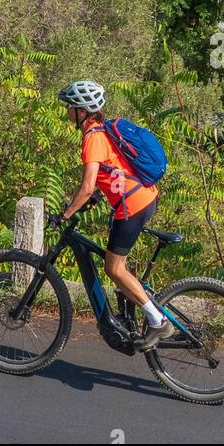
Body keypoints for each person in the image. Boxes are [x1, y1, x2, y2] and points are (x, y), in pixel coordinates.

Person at [51, 80, 173, 350]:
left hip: (133, 205)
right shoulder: (102, 131)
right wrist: (97, 195)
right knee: (119, 263)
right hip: (142, 197)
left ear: (82, 111)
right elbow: (115, 170)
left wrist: (65, 214)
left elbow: (86, 186)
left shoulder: (92, 137)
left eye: (70, 106)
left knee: (113, 267)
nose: (67, 111)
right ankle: (129, 317)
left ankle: (158, 321)